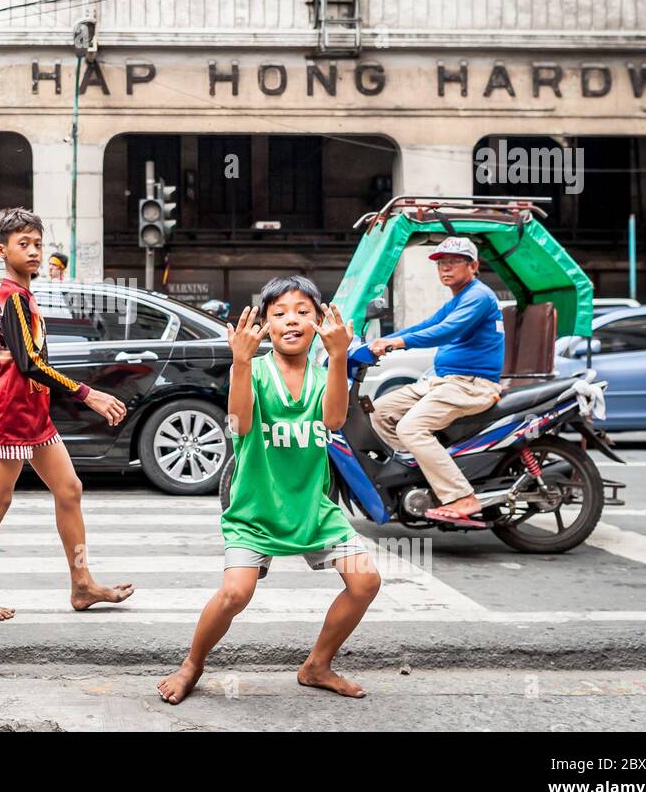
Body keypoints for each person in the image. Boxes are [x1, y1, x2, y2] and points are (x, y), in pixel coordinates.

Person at [158, 277, 380, 705]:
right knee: (235, 593)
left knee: (366, 581)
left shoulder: (322, 375)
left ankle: (317, 666)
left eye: (302, 311)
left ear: (319, 321)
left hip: (312, 507)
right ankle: (192, 665)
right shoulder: (254, 371)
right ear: (264, 325)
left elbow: (334, 421)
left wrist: (338, 359)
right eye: (278, 313)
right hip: (254, 509)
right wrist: (240, 363)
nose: (291, 320)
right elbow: (238, 424)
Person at [0, 208, 133, 621]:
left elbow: (28, 362)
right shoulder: (12, 297)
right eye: (22, 244)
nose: (33, 252)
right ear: (1, 250)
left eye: (37, 244)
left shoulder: (23, 296)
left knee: (69, 490)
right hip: (11, 413)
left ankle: (82, 585)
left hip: (31, 412)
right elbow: (30, 363)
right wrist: (89, 394)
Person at [367, 236, 505, 526]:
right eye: (441, 263)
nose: (445, 268)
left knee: (411, 427)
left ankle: (460, 495)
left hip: (471, 384)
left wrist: (398, 343)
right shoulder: (459, 297)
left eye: (454, 262)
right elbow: (427, 324)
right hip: (443, 381)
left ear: (474, 266)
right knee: (380, 411)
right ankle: (419, 478)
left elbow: (445, 331)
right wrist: (378, 342)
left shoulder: (478, 296)